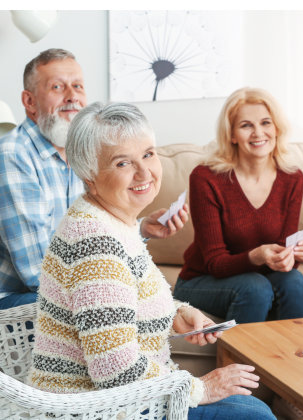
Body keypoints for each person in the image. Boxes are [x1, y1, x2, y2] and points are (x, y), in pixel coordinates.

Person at [27, 102, 275, 419]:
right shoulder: (96, 245)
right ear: (89, 175)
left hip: (116, 401)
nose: (144, 173)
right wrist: (201, 388)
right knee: (253, 415)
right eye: (122, 163)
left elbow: (120, 304)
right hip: (95, 409)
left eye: (148, 154)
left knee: (251, 409)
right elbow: (115, 369)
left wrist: (176, 314)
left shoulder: (113, 221)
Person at [0, 48, 187, 310]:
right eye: (57, 87)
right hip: (18, 302)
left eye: (78, 86)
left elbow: (90, 236)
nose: (72, 96)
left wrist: (142, 228)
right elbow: (38, 273)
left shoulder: (85, 152)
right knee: (111, 297)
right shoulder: (12, 156)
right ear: (29, 101)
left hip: (65, 286)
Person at [173, 87, 303, 324]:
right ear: (232, 135)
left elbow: (282, 251)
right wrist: (256, 256)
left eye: (265, 123)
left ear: (276, 128)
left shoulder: (292, 177)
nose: (258, 133)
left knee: (295, 282)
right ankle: (237, 360)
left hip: (261, 277)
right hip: (202, 280)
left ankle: (293, 358)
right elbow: (215, 263)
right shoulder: (206, 178)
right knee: (255, 288)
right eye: (246, 125)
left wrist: (297, 253)